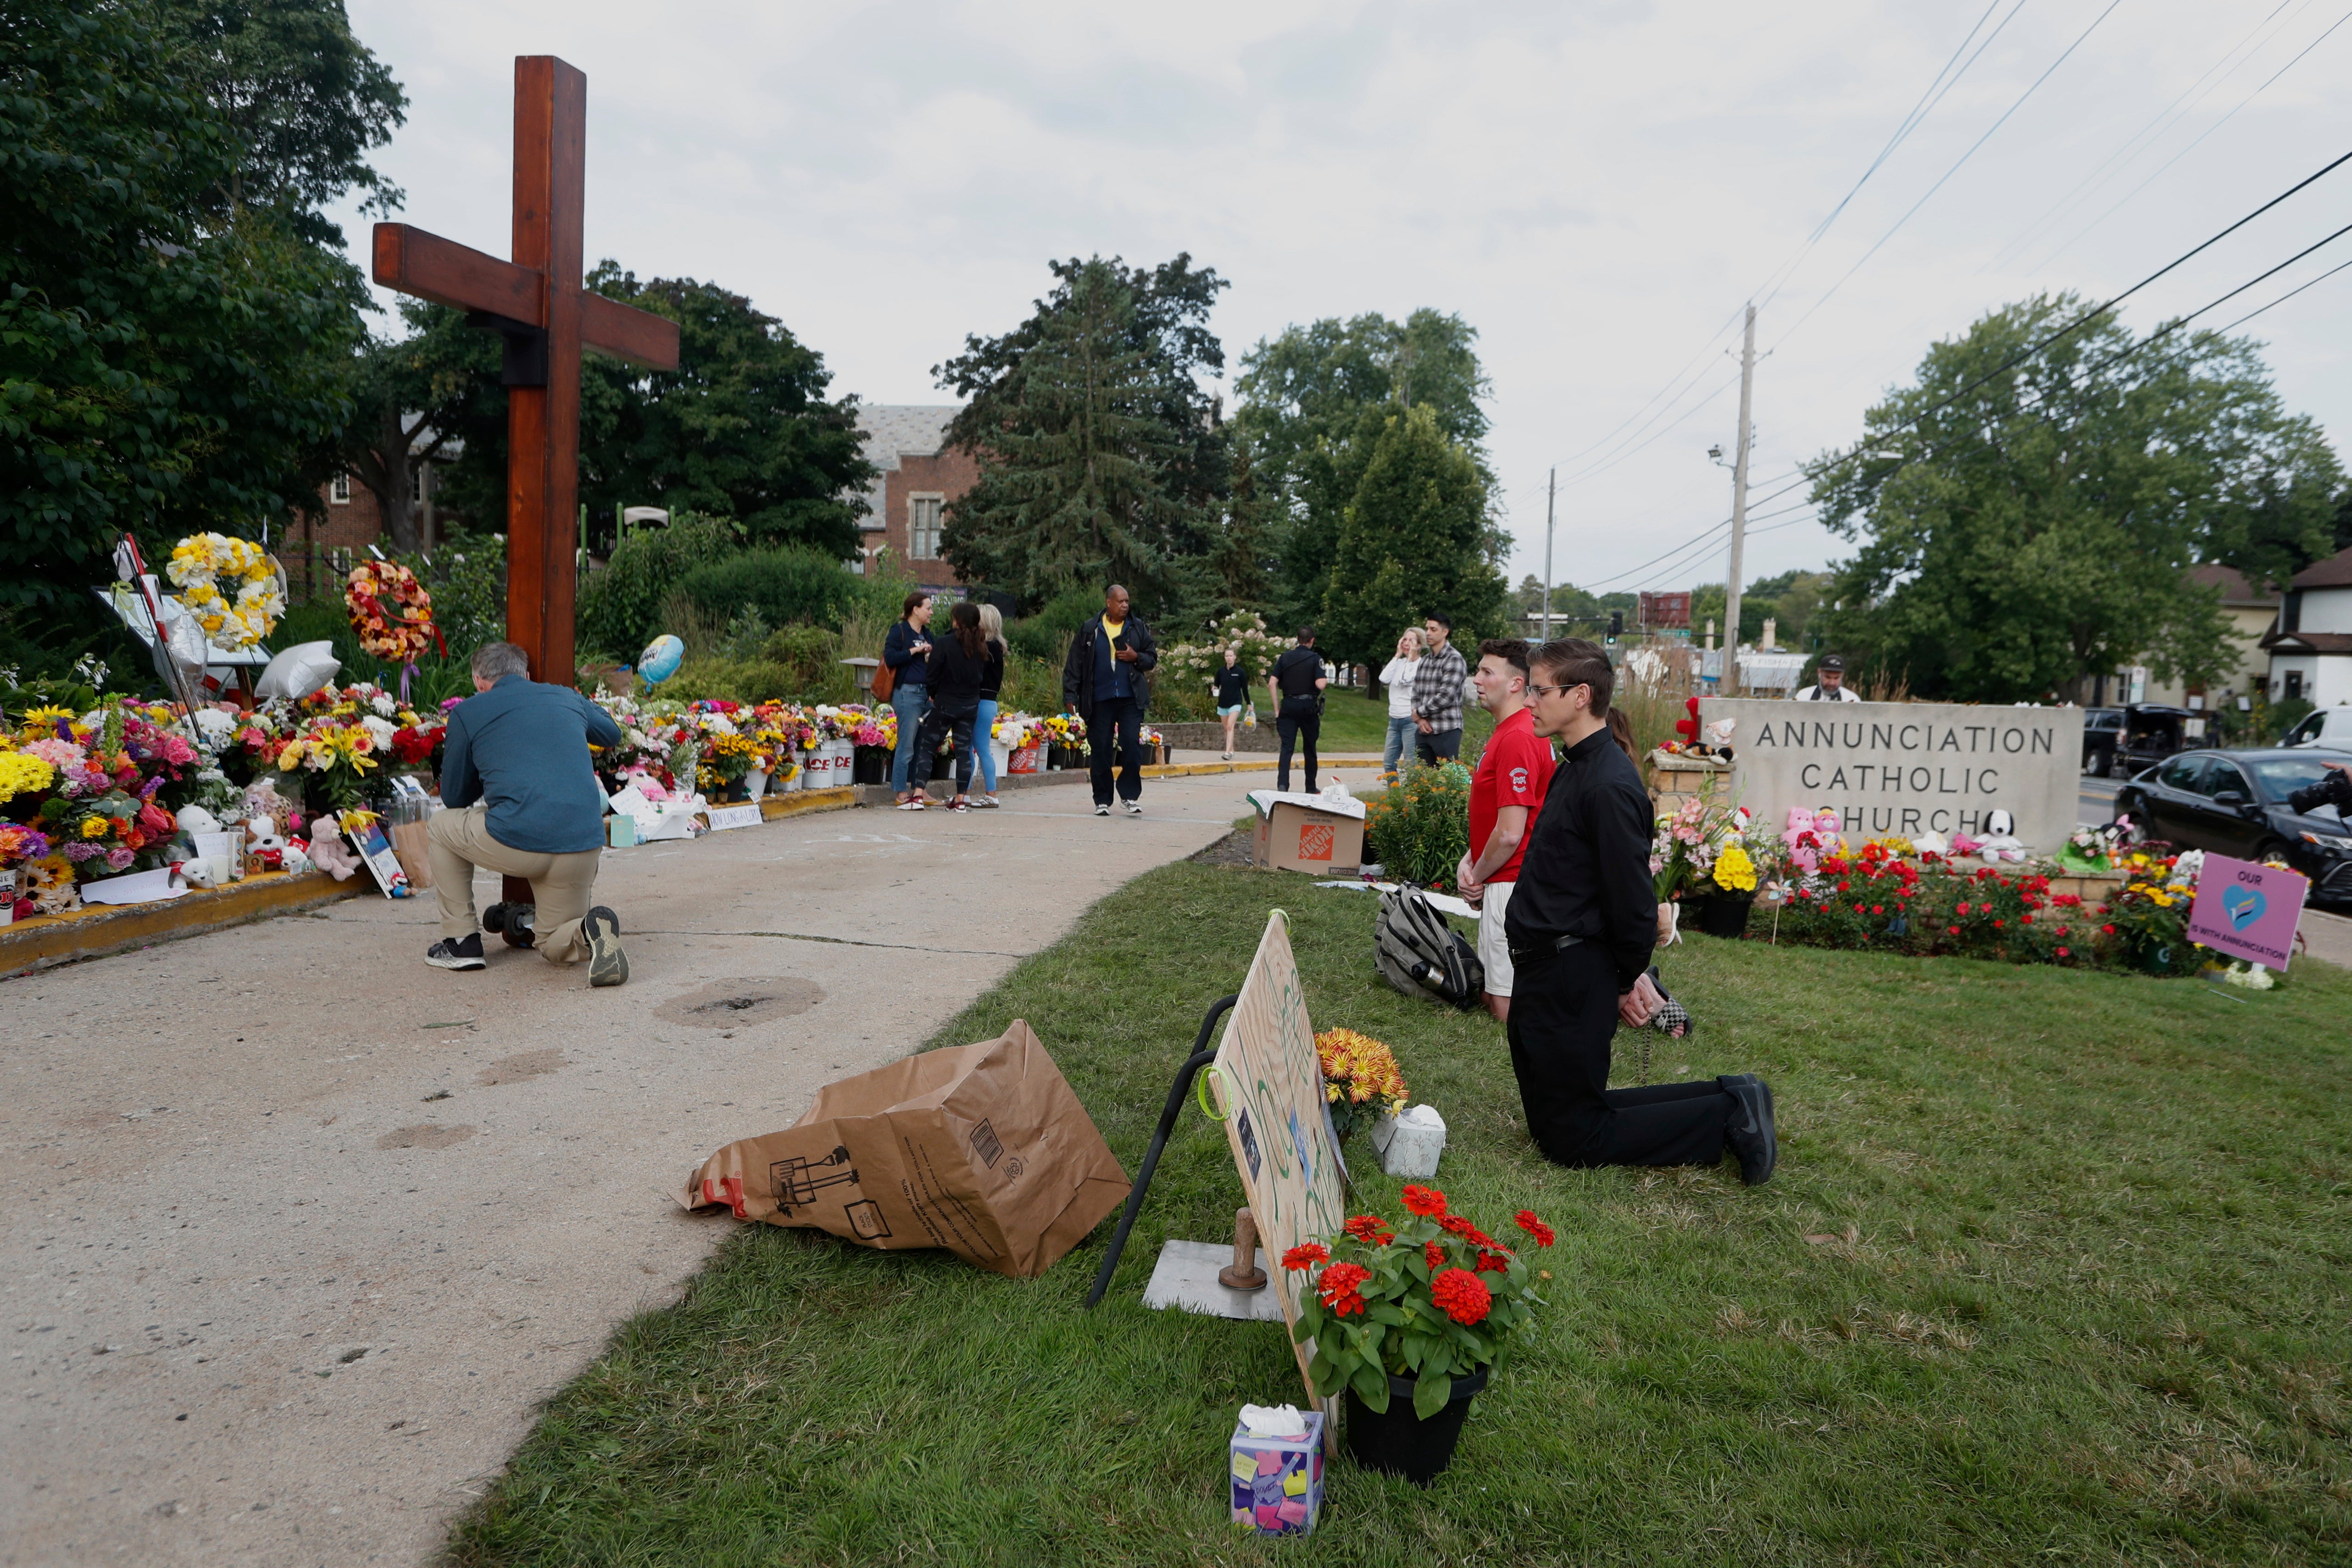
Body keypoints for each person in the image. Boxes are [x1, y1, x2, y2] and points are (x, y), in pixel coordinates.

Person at [1503, 637, 1778, 1183]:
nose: (1528, 700)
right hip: (1545, 967)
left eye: (1539, 690)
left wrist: (1626, 981)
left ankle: (1729, 1114)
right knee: (1555, 1125)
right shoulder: (1576, 766)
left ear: (1581, 695)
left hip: (1573, 972)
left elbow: (1632, 905)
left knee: (1574, 1140)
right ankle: (1731, 1094)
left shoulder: (1608, 783)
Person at [425, 641, 628, 986]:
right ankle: (588, 931)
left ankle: (461, 942)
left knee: (441, 825)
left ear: (478, 681)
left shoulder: (468, 712)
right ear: (527, 675)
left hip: (518, 840)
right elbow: (611, 733)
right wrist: (575, 705)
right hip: (582, 844)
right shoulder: (566, 697)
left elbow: (455, 797)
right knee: (553, 944)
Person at [1455, 638, 1551, 1023]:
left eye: (1486, 672)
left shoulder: (1516, 737)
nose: (1476, 679)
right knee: (1494, 988)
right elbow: (1495, 818)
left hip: (1510, 881)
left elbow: (1511, 833)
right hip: (1501, 878)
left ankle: (1624, 996)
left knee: (1503, 1007)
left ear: (1515, 684)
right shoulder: (1510, 731)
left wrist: (1476, 877)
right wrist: (1471, 860)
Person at [1061, 583, 1158, 817]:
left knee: (1132, 747)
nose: (1125, 605)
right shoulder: (1090, 629)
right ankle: (1103, 799)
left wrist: (1137, 657)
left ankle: (1129, 796)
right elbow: (1075, 665)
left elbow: (1152, 658)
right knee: (1101, 750)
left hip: (1130, 699)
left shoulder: (1137, 628)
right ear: (1108, 603)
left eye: (1127, 601)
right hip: (1100, 699)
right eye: (1120, 601)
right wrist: (1070, 695)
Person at [910, 601, 1001, 812]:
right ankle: (961, 799)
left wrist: (933, 694)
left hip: (945, 704)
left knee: (928, 748)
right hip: (969, 706)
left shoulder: (944, 643)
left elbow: (932, 674)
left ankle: (917, 796)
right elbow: (979, 677)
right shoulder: (981, 647)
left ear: (957, 620)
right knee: (963, 753)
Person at [884, 591, 935, 807]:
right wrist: (915, 650)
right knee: (906, 744)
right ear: (915, 609)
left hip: (925, 694)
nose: (931, 612)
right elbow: (891, 657)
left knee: (921, 745)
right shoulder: (899, 631)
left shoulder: (928, 634)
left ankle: (919, 791)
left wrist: (932, 654)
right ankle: (900, 792)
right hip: (907, 692)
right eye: (928, 608)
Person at [1269, 627, 1330, 792]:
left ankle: (1283, 785)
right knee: (1310, 748)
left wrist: (1277, 710)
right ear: (1312, 641)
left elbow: (1272, 683)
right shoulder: (1315, 659)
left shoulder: (1285, 657)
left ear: (1297, 639)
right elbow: (1320, 684)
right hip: (1308, 708)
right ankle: (1310, 787)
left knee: (1287, 748)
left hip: (1288, 706)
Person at [1412, 613, 1468, 764]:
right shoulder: (1424, 661)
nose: (1428, 633)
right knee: (1423, 781)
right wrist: (1420, 720)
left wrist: (1419, 713)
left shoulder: (1454, 659)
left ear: (1445, 632)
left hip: (1446, 729)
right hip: (1423, 731)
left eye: (1433, 629)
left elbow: (1446, 697)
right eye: (1427, 629)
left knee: (1447, 781)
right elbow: (1416, 691)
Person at [971, 602, 1008, 807]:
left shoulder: (987, 647)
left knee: (976, 748)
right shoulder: (998, 647)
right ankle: (984, 792)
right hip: (989, 701)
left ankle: (988, 794)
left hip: (980, 701)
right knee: (980, 747)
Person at [1378, 627, 1424, 780]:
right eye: (1404, 639)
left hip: (1410, 720)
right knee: (1389, 764)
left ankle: (1413, 799)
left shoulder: (1421, 665)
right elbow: (1383, 678)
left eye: (1411, 641)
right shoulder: (1399, 663)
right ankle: (1396, 798)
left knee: (1411, 765)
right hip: (1394, 720)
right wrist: (1397, 656)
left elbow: (1406, 680)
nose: (1406, 643)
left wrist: (1411, 660)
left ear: (1419, 645)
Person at [1213, 648, 1249, 760]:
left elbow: (1245, 689)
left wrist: (1249, 703)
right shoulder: (1221, 672)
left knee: (1230, 726)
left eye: (1230, 656)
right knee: (1226, 728)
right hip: (1223, 703)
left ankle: (1227, 752)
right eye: (1227, 656)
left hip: (1236, 703)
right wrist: (1214, 689)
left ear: (1235, 657)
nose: (1229, 658)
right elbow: (1216, 685)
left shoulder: (1240, 672)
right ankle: (1232, 750)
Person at [1793, 652, 1860, 702]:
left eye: (1836, 678)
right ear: (1819, 673)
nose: (1832, 683)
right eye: (1828, 677)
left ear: (1843, 675)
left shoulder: (1852, 699)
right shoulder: (1803, 697)